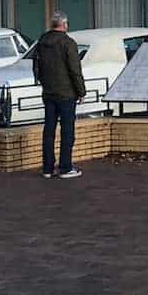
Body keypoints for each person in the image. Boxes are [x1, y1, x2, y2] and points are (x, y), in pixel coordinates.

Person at [33, 11, 86, 179]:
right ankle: (65, 167)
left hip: (48, 93)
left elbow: (36, 65)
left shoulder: (42, 41)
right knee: (67, 131)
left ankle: (47, 168)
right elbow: (74, 70)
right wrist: (81, 91)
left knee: (48, 131)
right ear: (64, 24)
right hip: (66, 94)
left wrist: (42, 82)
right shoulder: (68, 43)